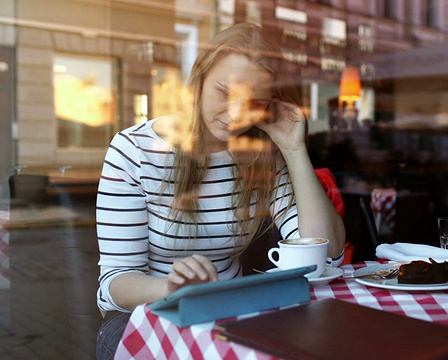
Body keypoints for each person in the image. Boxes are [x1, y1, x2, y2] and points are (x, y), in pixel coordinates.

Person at [95, 23, 345, 359]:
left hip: (226, 313)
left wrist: (294, 150)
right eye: (224, 93)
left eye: (253, 103)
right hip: (142, 315)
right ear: (198, 78)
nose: (235, 115)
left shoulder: (260, 154)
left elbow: (326, 253)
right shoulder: (134, 150)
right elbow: (116, 282)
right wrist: (173, 290)